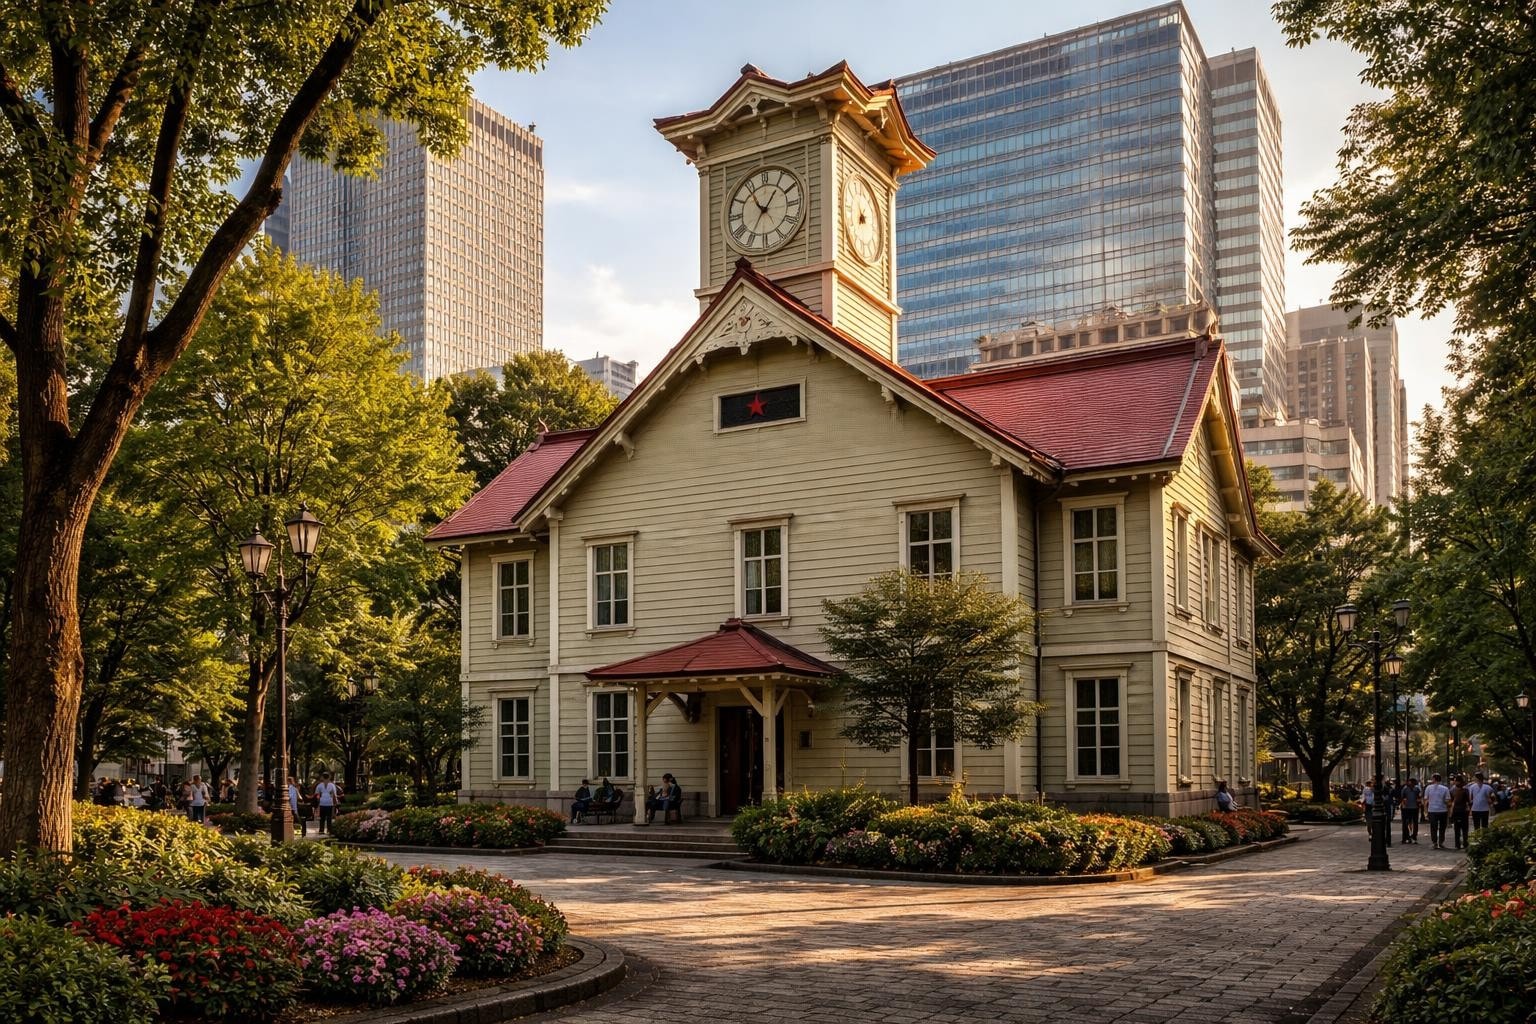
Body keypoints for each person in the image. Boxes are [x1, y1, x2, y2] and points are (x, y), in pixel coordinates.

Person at [1424, 773, 1451, 849]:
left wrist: (1425, 811)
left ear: (1434, 779)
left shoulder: (1428, 788)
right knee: (1442, 827)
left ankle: (1434, 842)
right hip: (1443, 810)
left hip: (1432, 810)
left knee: (1433, 827)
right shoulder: (1445, 788)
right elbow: (1448, 800)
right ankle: (1441, 842)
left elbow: (1426, 800)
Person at [1449, 774, 1471, 850]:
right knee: (1464, 828)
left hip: (1456, 810)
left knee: (1457, 828)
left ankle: (1457, 844)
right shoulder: (1466, 790)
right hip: (1463, 811)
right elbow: (1469, 801)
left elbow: (1450, 801)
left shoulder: (1452, 790)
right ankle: (1465, 843)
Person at [1397, 777, 1421, 844]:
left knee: (1407, 823)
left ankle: (1408, 837)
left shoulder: (1408, 789)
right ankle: (1411, 837)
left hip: (1409, 808)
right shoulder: (1414, 789)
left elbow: (1402, 798)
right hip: (1411, 808)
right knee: (1412, 823)